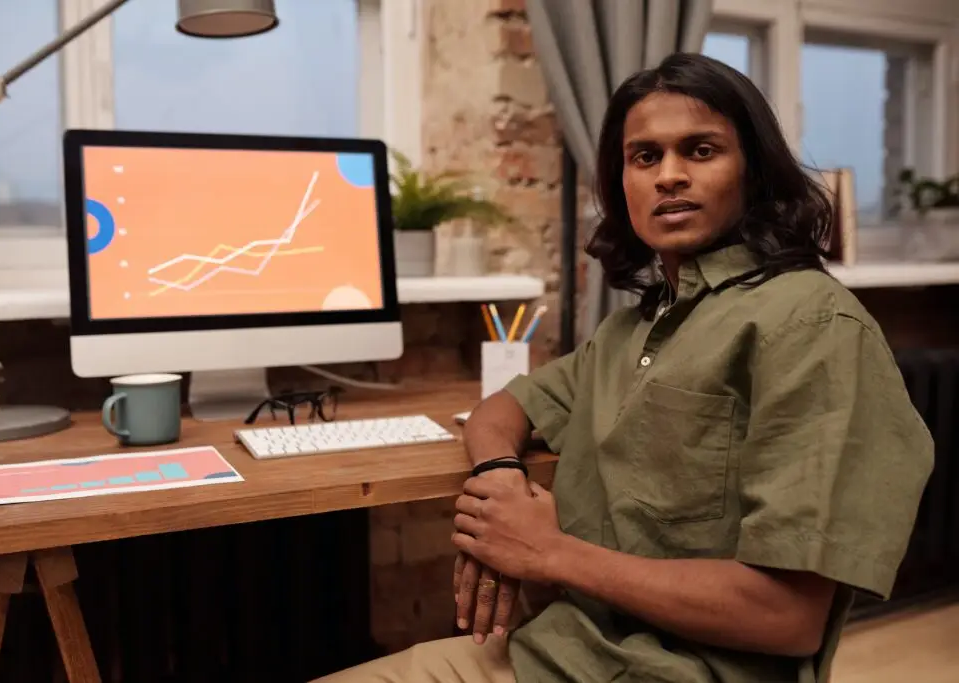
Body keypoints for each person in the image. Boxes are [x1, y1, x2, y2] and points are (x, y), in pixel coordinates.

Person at [314, 52, 933, 683]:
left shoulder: (810, 322)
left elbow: (786, 617)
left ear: (753, 171)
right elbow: (506, 407)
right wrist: (499, 474)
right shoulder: (631, 331)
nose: (669, 175)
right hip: (559, 649)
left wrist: (549, 553)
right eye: (645, 157)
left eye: (700, 150)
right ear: (622, 185)